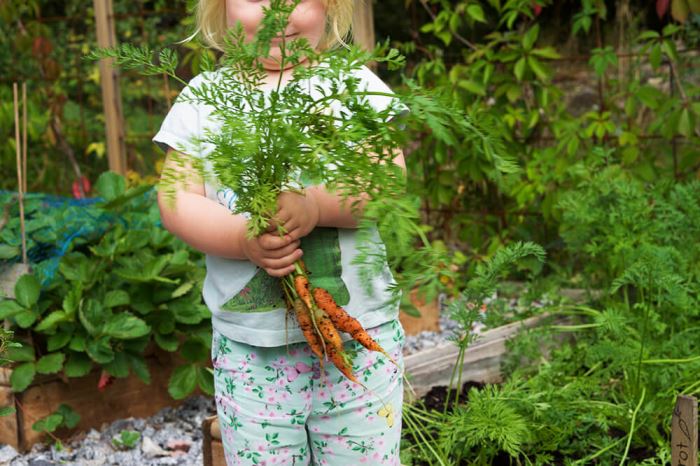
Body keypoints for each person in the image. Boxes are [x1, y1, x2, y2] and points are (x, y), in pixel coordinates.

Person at [153, 1, 406, 464]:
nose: (279, 14)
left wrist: (315, 206)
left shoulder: (353, 84)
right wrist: (241, 237)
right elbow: (176, 200)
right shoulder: (202, 97)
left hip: (359, 341)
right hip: (251, 354)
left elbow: (387, 181)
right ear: (220, 7)